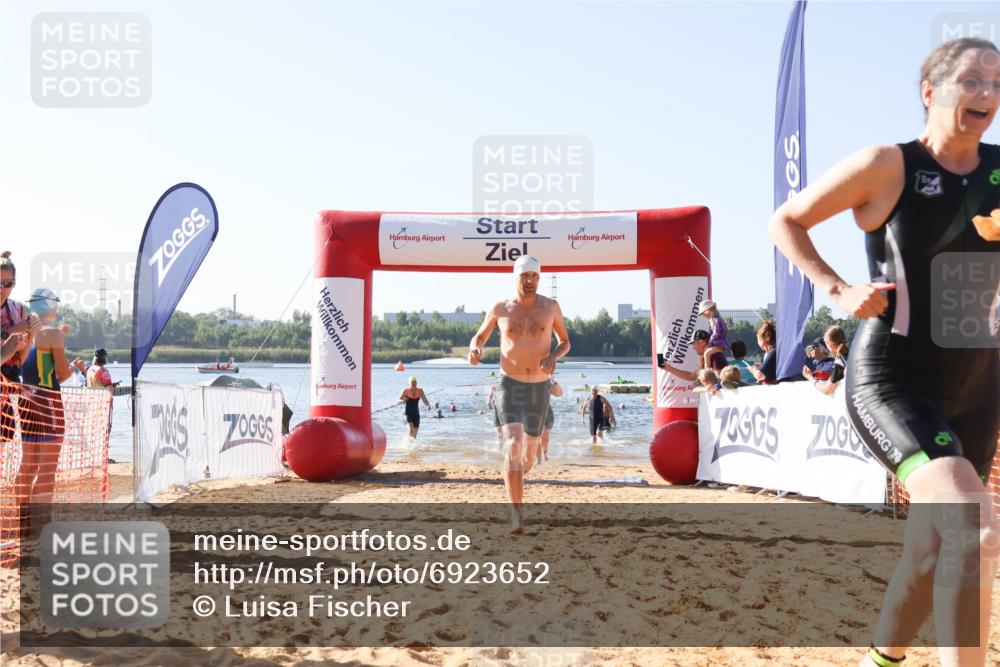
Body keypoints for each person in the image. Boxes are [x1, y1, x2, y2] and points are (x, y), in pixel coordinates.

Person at [769, 37, 1000, 667]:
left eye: (996, 84)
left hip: (979, 384)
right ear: (931, 91)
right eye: (972, 81)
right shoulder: (887, 165)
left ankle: (881, 661)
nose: (986, 96)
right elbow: (786, 220)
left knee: (931, 555)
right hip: (894, 378)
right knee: (975, 532)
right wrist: (837, 288)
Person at [468, 255, 570, 533]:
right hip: (509, 385)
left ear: (539, 278)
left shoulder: (550, 307)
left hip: (539, 388)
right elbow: (479, 336)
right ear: (516, 277)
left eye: (535, 276)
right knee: (512, 445)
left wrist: (553, 356)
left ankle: (514, 479)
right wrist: (475, 350)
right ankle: (516, 515)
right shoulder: (501, 308)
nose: (530, 281)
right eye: (525, 276)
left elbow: (565, 342)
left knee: (527, 458)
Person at [15, 289, 79, 532]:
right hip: (48, 401)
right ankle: (41, 522)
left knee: (28, 463)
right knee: (47, 467)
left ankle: (22, 518)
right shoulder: (50, 334)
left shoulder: (24, 334)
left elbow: (26, 367)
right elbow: (62, 374)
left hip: (25, 400)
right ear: (51, 308)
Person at [0, 252, 41, 383]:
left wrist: (31, 334)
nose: (1, 289)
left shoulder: (18, 309)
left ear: (14, 284)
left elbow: (19, 361)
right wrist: (13, 331)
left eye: (7, 284)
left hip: (9, 385)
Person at [660, 329, 727, 382]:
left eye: (694, 344)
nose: (693, 348)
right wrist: (670, 369)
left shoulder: (716, 356)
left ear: (702, 342)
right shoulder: (707, 356)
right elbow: (691, 376)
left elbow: (721, 379)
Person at [804, 326, 850, 396]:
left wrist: (810, 377)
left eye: (826, 343)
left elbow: (827, 390)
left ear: (829, 344)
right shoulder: (851, 354)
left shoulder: (839, 363)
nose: (811, 349)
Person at [537, 375, 563, 464]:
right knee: (537, 436)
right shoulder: (530, 383)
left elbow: (559, 394)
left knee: (545, 436)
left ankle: (545, 454)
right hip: (533, 412)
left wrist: (554, 381)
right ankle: (539, 460)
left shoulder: (547, 383)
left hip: (547, 412)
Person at [699, 299, 730, 370]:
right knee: (706, 352)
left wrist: (709, 343)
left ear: (709, 310)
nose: (703, 315)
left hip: (720, 344)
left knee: (707, 353)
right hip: (719, 343)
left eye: (704, 312)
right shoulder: (715, 319)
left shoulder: (716, 320)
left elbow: (716, 333)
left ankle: (707, 371)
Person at [749, 320, 778, 384]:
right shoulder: (774, 351)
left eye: (758, 339)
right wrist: (761, 366)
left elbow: (760, 375)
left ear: (763, 340)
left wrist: (753, 370)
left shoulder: (773, 352)